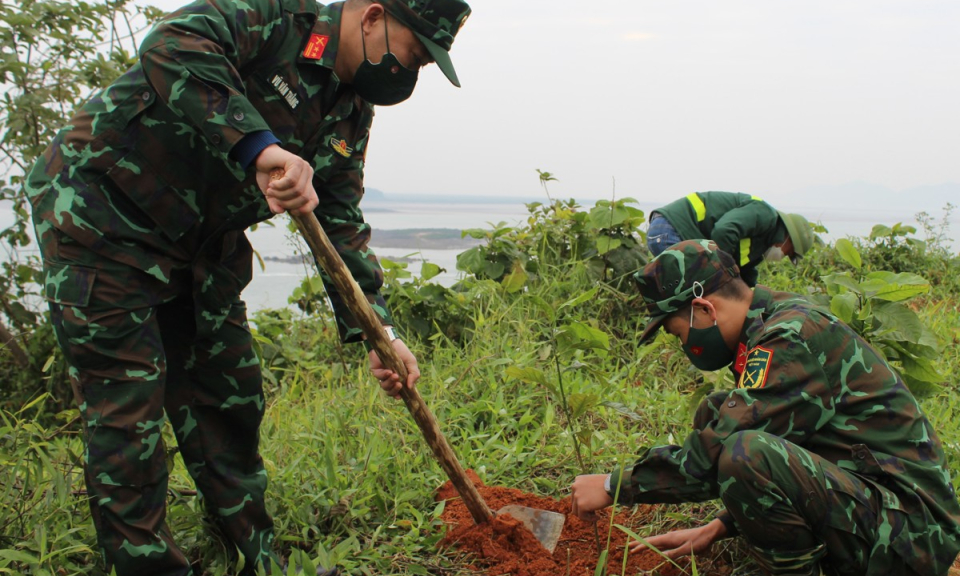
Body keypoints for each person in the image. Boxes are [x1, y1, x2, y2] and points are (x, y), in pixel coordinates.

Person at [24, 0, 470, 573]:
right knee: (128, 415)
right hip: (103, 219)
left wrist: (379, 331)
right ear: (373, 16)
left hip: (199, 246)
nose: (410, 73)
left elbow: (339, 217)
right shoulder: (275, 19)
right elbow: (172, 43)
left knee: (229, 396)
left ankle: (257, 559)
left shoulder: (350, 108)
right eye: (413, 54)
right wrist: (257, 145)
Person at [570, 240, 960, 575]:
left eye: (677, 332)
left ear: (705, 309)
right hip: (883, 505)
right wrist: (721, 525)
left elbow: (721, 453)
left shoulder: (789, 339)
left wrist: (612, 486)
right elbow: (790, 435)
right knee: (719, 410)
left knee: (744, 451)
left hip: (913, 537)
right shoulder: (772, 317)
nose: (682, 345)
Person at [647, 191, 814, 286]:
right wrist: (723, 270)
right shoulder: (765, 214)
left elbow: (745, 270)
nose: (782, 256)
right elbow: (724, 231)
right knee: (695, 291)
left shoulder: (763, 243)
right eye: (788, 252)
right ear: (787, 239)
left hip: (668, 232)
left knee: (692, 291)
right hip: (671, 228)